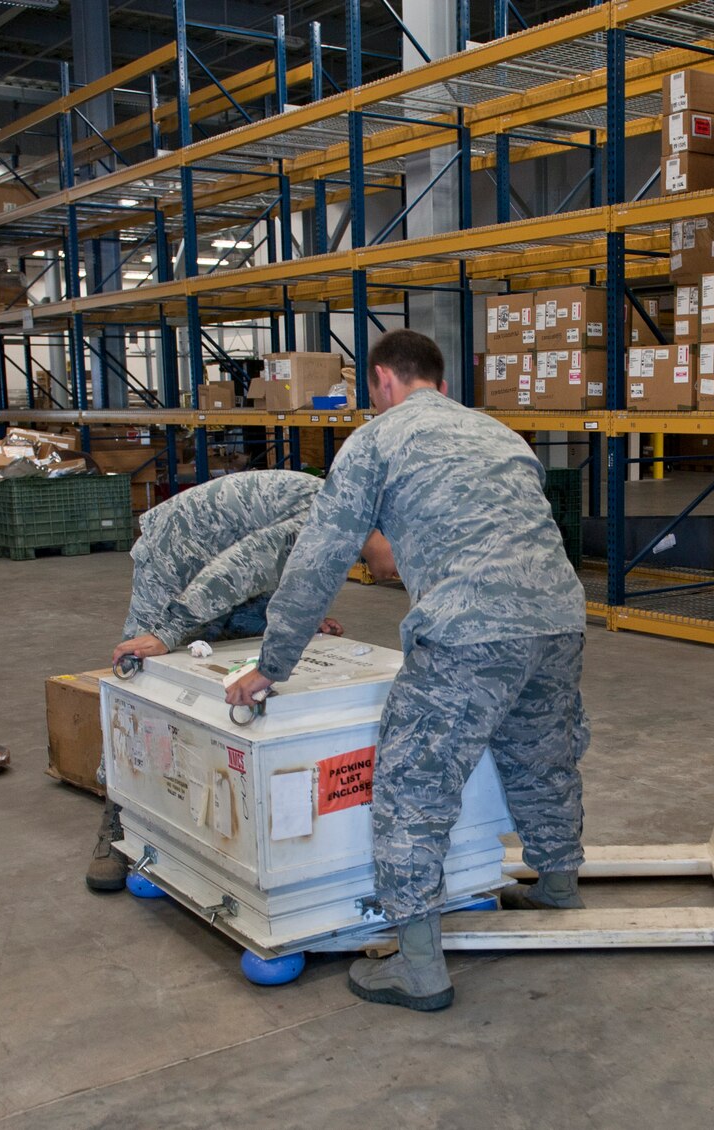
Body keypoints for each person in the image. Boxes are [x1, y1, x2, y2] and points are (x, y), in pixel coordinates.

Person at [226, 328, 589, 1012]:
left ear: (382, 382)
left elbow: (318, 559)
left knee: (412, 785)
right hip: (560, 615)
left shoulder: (375, 440)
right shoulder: (501, 434)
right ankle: (558, 883)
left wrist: (271, 663)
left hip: (468, 629)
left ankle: (418, 967)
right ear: (442, 383)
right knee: (545, 753)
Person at [88, 468, 396, 892]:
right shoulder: (331, 517)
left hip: (233, 550)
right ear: (387, 530)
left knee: (234, 651)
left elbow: (294, 576)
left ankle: (193, 798)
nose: (403, 573)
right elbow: (239, 568)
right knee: (140, 672)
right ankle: (117, 812)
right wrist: (168, 630)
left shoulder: (352, 522)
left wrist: (300, 620)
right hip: (181, 548)